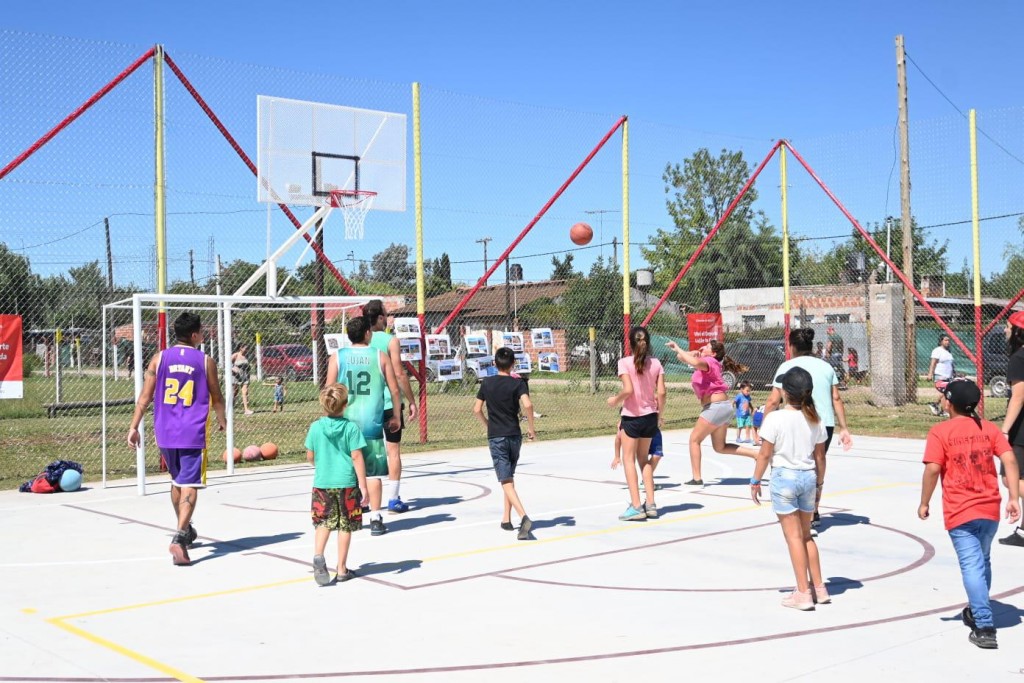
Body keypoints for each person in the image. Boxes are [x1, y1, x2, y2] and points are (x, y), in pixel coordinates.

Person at [918, 378, 1020, 648]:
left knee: (972, 565)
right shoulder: (988, 428)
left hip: (961, 511)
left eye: (943, 396)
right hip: (989, 510)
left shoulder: (940, 432)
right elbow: (1009, 458)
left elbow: (932, 469)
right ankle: (977, 609)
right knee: (983, 560)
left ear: (949, 403)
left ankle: (985, 625)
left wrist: (924, 502)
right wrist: (1013, 497)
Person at [126, 312, 227, 566]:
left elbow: (144, 397)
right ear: (194, 335)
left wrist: (133, 426)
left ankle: (185, 529)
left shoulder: (158, 359)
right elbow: (216, 395)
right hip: (192, 431)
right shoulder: (206, 361)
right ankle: (180, 537)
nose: (203, 335)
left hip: (165, 431)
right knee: (190, 483)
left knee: (176, 480)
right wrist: (222, 419)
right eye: (202, 331)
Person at [750, 367, 829, 611]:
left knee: (793, 537)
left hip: (784, 478)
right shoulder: (815, 419)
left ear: (786, 392)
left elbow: (764, 454)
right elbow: (820, 457)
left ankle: (803, 593)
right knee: (807, 536)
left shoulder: (775, 418)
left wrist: (755, 480)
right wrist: (819, 484)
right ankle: (819, 588)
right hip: (808, 477)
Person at [764, 328, 853, 535]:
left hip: (794, 419)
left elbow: (773, 400)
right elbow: (836, 399)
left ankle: (797, 512)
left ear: (791, 346)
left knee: (792, 464)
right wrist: (844, 427)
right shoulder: (826, 366)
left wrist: (764, 425)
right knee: (815, 463)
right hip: (823, 423)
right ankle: (813, 511)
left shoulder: (786, 366)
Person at [325, 316, 401, 537]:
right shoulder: (379, 356)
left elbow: (329, 389)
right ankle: (376, 517)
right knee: (373, 473)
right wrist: (396, 414)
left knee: (346, 470)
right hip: (371, 424)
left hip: (344, 422)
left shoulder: (338, 356)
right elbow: (394, 390)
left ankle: (349, 513)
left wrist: (329, 416)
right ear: (368, 333)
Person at [665, 339, 757, 486]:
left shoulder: (709, 361)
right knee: (720, 447)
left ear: (713, 353)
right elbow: (681, 358)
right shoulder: (705, 361)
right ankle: (755, 454)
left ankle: (697, 478)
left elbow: (693, 362)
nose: (704, 346)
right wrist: (691, 352)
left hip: (716, 407)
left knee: (694, 440)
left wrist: (678, 347)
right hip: (722, 407)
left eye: (707, 346)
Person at [306, 383, 369, 585]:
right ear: (345, 404)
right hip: (346, 483)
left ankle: (318, 554)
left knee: (323, 522)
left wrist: (321, 464)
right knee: (345, 525)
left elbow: (310, 456)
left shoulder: (316, 427)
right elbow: (357, 456)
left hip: (322, 483)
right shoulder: (351, 428)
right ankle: (341, 568)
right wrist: (363, 486)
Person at [474, 346, 537, 540]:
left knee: (505, 479)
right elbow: (527, 405)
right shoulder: (518, 384)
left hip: (497, 436)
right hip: (514, 436)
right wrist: (531, 428)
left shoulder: (487, 383)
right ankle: (506, 518)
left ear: (494, 363)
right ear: (513, 364)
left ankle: (523, 516)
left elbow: (476, 409)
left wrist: (487, 425)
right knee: (508, 477)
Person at [363, 300, 418, 514]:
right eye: (386, 315)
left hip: (366, 404)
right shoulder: (390, 341)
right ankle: (393, 499)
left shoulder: (359, 340)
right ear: (379, 318)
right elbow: (398, 373)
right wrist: (411, 400)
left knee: (368, 451)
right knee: (392, 451)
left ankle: (365, 499)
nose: (387, 319)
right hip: (387, 402)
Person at [608, 327, 666, 520]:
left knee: (628, 460)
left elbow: (628, 389)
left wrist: (615, 400)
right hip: (650, 417)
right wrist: (659, 414)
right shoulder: (656, 363)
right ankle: (650, 503)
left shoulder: (624, 363)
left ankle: (636, 506)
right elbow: (662, 393)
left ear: (631, 344)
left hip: (632, 418)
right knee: (644, 460)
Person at [998, 311, 1024, 546]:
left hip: (1021, 429)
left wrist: (1005, 429)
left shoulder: (1018, 358)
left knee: (1011, 479)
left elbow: (1018, 396)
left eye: (1008, 327)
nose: (1005, 331)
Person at [612, 424, 665, 500]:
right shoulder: (627, 421)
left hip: (652, 428)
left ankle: (646, 481)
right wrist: (617, 456)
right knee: (639, 458)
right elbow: (618, 438)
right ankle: (646, 484)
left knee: (657, 455)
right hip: (639, 431)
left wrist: (658, 418)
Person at [925, 334, 956, 416]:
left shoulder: (948, 352)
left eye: (948, 340)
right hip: (940, 375)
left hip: (949, 376)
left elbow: (951, 364)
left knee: (946, 393)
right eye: (945, 340)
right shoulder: (937, 350)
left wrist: (954, 373)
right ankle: (938, 406)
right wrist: (930, 374)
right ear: (941, 341)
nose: (948, 342)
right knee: (946, 390)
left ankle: (940, 407)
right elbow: (933, 362)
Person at [231, 344, 254, 416]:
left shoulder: (247, 355)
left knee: (245, 392)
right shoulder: (235, 355)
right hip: (236, 376)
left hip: (245, 376)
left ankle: (246, 410)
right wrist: (233, 369)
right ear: (241, 348)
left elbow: (249, 365)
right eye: (245, 348)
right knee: (234, 392)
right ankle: (230, 408)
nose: (247, 350)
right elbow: (227, 363)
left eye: (247, 348)